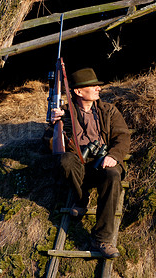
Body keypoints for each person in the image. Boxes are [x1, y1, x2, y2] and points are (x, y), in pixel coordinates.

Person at [50, 68, 130, 259]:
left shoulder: (108, 110)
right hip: (79, 165)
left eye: (97, 85)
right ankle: (81, 198)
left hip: (103, 163)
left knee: (113, 175)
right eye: (92, 86)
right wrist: (54, 125)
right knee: (66, 160)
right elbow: (51, 145)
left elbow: (123, 137)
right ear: (78, 92)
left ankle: (102, 239)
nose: (98, 88)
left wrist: (114, 155)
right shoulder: (65, 114)